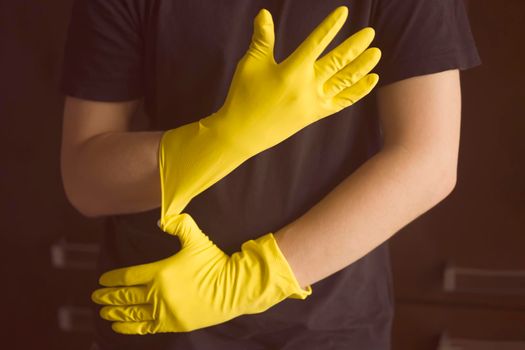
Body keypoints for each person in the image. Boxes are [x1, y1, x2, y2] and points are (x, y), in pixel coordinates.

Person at [59, 0, 481, 349]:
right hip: (155, 310)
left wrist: (250, 280)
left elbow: (428, 160)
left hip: (329, 326)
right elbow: (84, 180)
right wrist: (221, 139)